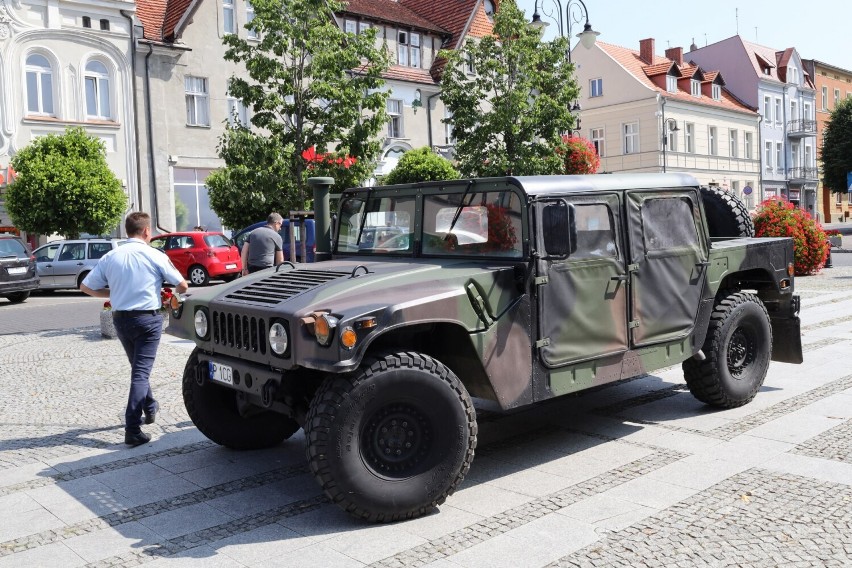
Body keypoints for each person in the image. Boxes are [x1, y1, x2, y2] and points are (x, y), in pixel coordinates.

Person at [81, 212, 188, 447]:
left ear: (128, 230)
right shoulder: (153, 255)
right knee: (140, 372)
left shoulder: (111, 255)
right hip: (147, 321)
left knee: (138, 367)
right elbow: (182, 284)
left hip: (121, 319)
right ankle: (132, 428)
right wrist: (172, 295)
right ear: (147, 231)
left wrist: (113, 293)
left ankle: (150, 407)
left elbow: (86, 286)